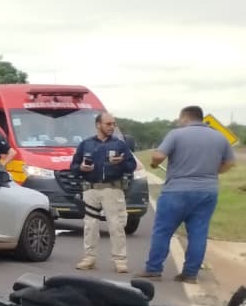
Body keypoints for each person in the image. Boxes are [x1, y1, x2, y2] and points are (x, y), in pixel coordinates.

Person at [140, 105, 236, 283]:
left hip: (176, 190)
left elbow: (159, 156)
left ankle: (154, 269)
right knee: (198, 233)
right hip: (207, 191)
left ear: (185, 117)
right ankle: (190, 274)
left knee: (163, 231)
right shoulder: (219, 137)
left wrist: (154, 164)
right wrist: (213, 172)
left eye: (180, 118)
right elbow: (230, 162)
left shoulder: (176, 134)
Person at [70, 112, 137, 273]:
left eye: (113, 124)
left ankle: (120, 260)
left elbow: (132, 166)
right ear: (98, 125)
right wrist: (81, 168)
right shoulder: (86, 144)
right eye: (108, 124)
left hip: (112, 189)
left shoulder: (119, 145)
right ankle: (89, 258)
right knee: (90, 225)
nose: (112, 127)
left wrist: (121, 163)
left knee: (116, 225)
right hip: (91, 189)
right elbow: (73, 166)